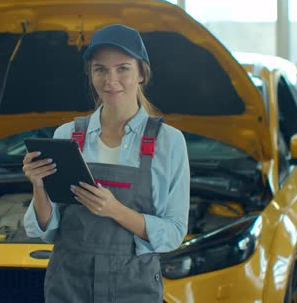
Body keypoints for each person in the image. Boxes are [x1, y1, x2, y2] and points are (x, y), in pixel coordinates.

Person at [23, 24, 190, 302]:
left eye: (123, 68)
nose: (111, 79)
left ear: (141, 73)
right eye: (100, 69)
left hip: (133, 285)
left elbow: (173, 233)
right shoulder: (66, 136)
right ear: (90, 75)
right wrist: (39, 187)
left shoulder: (169, 142)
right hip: (67, 284)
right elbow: (47, 228)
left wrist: (115, 210)